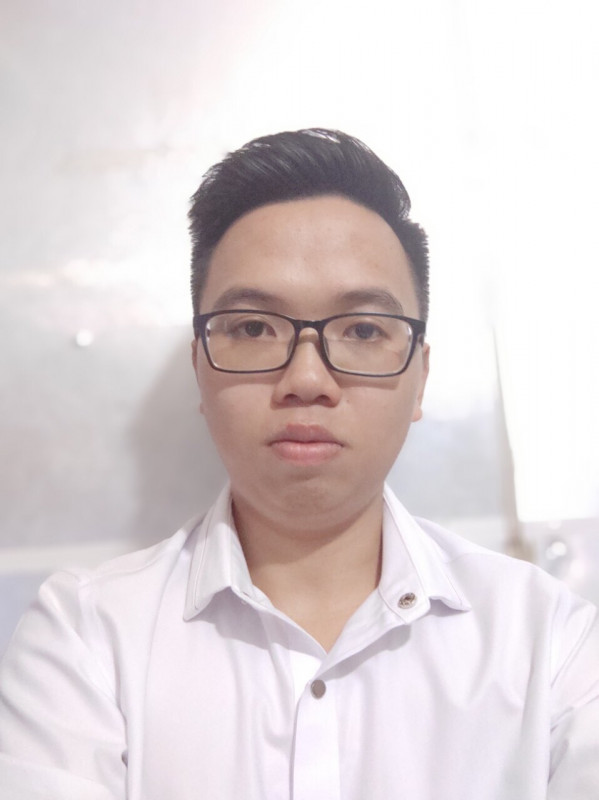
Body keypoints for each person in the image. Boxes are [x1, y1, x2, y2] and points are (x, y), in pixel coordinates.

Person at [0, 128, 597, 800]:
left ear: (420, 379)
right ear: (201, 367)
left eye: (363, 330)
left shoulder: (549, 642)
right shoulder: (86, 639)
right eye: (254, 328)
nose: (307, 379)